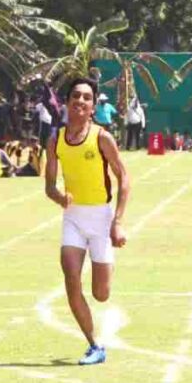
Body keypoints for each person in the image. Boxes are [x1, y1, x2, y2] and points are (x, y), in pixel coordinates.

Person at [44, 77, 130, 366]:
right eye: (76, 96)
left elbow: (124, 177)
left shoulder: (102, 137)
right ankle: (95, 344)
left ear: (93, 107)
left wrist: (117, 222)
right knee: (71, 279)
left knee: (101, 294)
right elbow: (49, 186)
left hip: (101, 218)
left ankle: (104, 268)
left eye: (87, 98)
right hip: (73, 219)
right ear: (67, 102)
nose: (80, 101)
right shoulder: (55, 139)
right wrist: (59, 197)